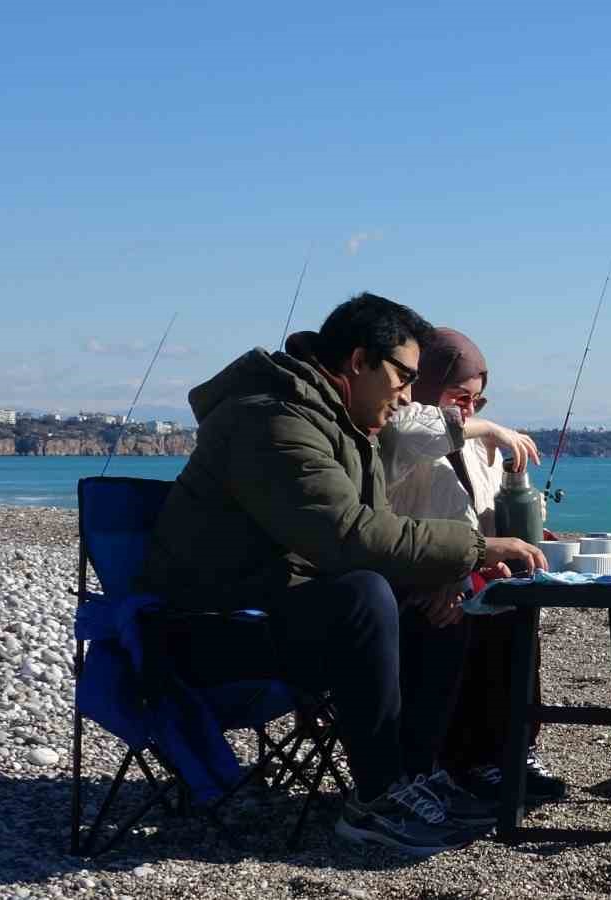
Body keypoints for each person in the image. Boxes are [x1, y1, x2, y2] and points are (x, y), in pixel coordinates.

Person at [139, 292, 547, 858]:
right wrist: (475, 547)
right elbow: (348, 536)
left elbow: (369, 535)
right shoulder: (271, 419)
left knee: (441, 604)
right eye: (404, 377)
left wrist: (442, 575)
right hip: (204, 629)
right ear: (358, 362)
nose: (407, 395)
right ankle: (376, 800)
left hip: (277, 607)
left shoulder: (345, 424)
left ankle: (414, 778)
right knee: (366, 593)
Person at [379, 327, 569, 805]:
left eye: (477, 402)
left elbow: (485, 523)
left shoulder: (478, 446)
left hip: (464, 571)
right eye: (458, 396)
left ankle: (507, 753)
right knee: (459, 615)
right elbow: (410, 434)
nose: (468, 410)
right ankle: (456, 759)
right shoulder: (399, 430)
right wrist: (489, 428)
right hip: (407, 572)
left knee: (515, 607)